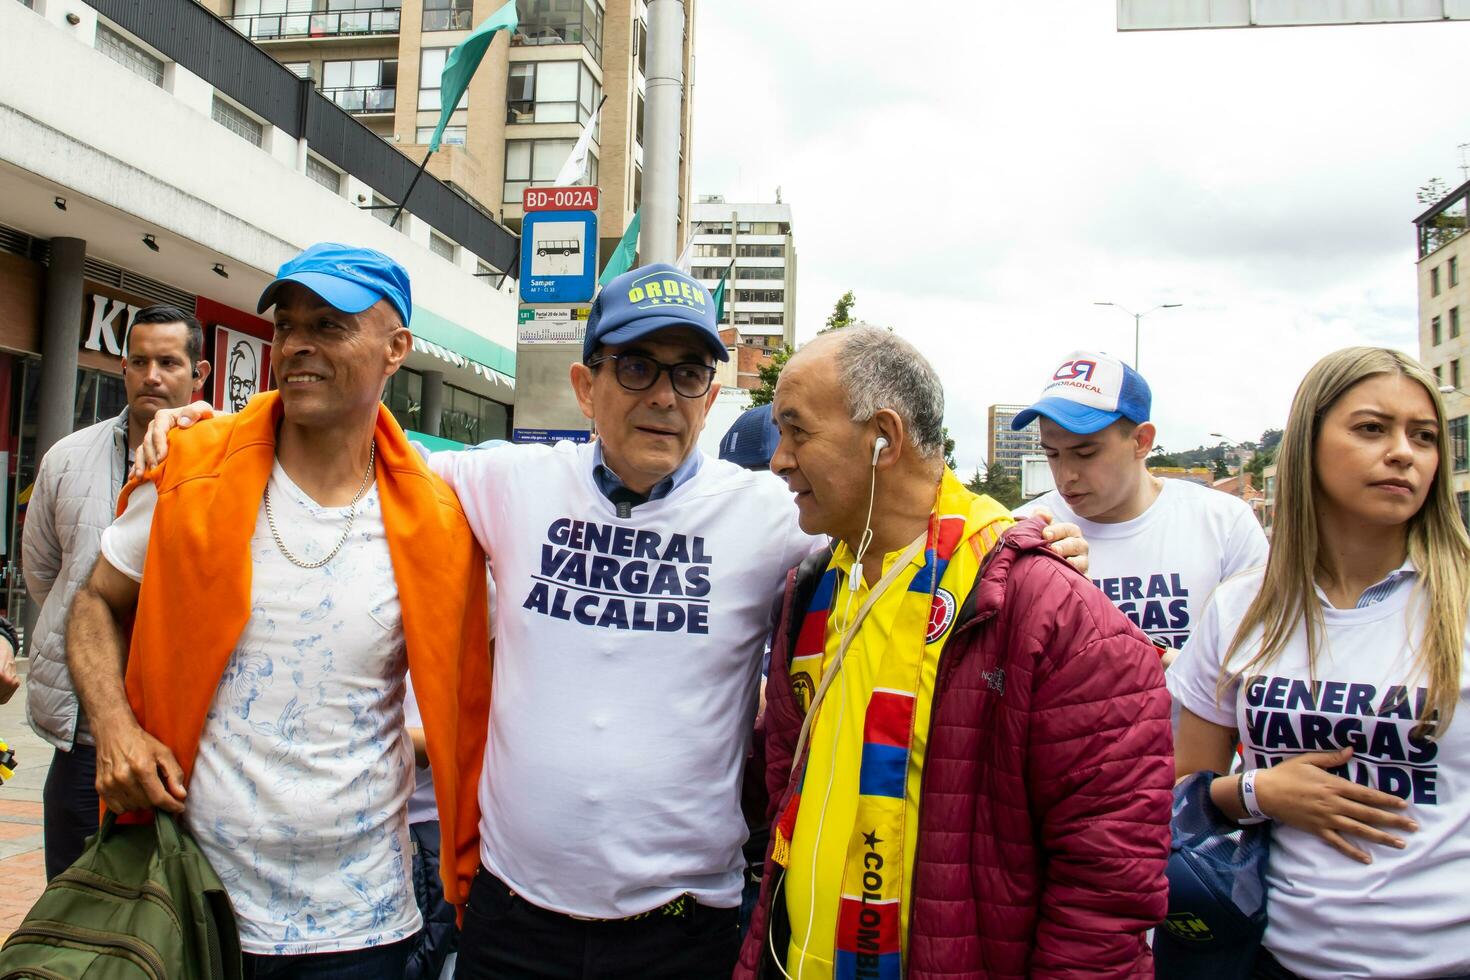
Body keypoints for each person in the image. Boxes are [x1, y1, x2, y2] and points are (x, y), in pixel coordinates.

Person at [136, 263, 1089, 980]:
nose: (663, 397)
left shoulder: (767, 517)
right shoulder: (501, 482)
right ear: (586, 387)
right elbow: (348, 445)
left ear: (712, 398)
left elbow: (908, 533)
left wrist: (1024, 538)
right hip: (512, 923)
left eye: (687, 374)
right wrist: (211, 427)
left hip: (684, 930)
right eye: (636, 367)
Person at [65, 243, 491, 978]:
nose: (296, 346)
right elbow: (94, 606)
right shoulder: (193, 471)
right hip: (187, 907)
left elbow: (477, 687)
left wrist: (404, 745)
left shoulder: (442, 519)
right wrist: (113, 727)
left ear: (397, 350)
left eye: (329, 327)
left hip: (365, 928)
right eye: (286, 326)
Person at [737, 327, 1173, 979]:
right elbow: (782, 791)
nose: (779, 459)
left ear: (883, 436)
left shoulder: (1047, 610)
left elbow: (1105, 897)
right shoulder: (814, 588)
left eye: (797, 431)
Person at [1169, 347, 1470, 980]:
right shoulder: (1241, 608)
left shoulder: (1461, 602)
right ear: (1309, 445)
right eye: (1371, 428)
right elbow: (1179, 793)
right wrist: (1258, 792)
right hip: (1274, 960)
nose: (1403, 453)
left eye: (1423, 437)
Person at [22, 304, 210, 879]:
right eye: (139, 361)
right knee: (75, 912)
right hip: (85, 734)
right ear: (123, 369)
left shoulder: (225, 458)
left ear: (198, 374)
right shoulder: (66, 459)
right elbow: (46, 575)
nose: (152, 375)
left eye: (169, 362)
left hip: (185, 743)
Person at [1014, 349, 1268, 666]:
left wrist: (1174, 668)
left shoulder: (1226, 524)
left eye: (1086, 453)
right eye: (1052, 454)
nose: (1066, 476)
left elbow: (1262, 656)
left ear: (1141, 441)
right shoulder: (1026, 531)